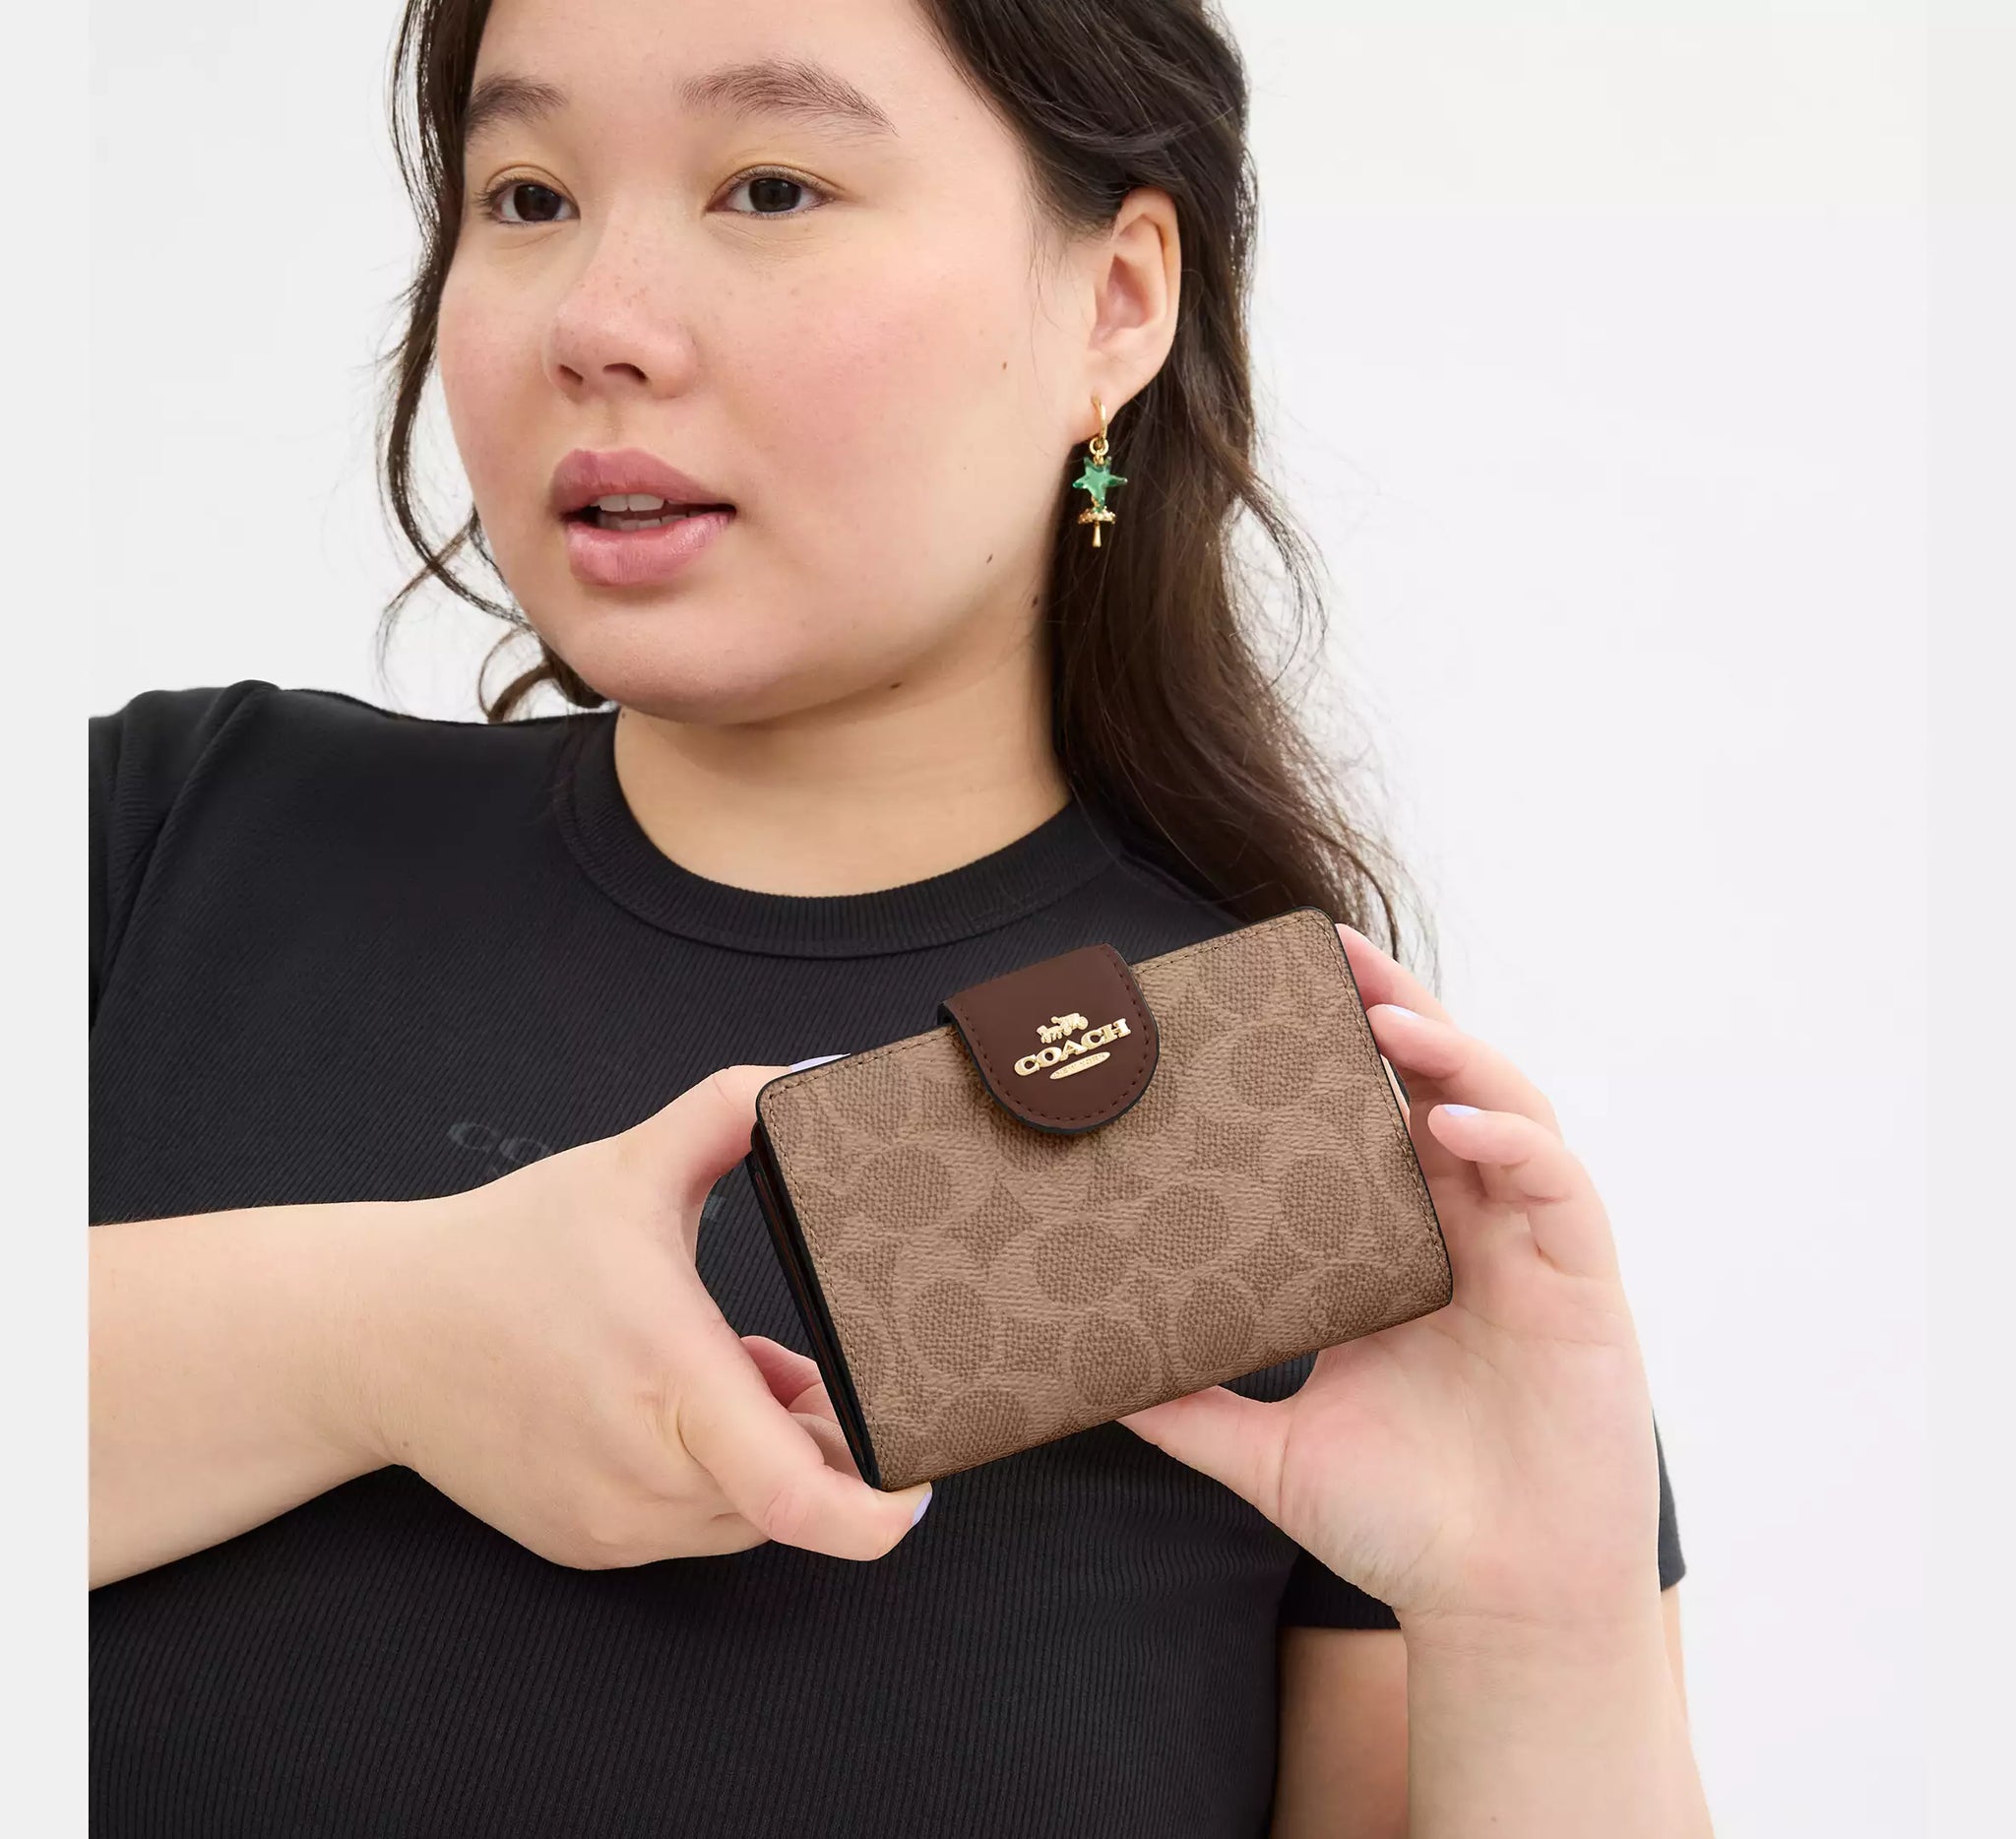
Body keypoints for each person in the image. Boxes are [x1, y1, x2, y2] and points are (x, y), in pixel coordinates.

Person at [88, 0, 1707, 1833]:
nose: (599, 323)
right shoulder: (155, 840)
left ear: (1117, 301)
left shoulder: (1292, 1152)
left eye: (770, 187)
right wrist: (373, 1339)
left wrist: (1543, 1624)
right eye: (526, 195)